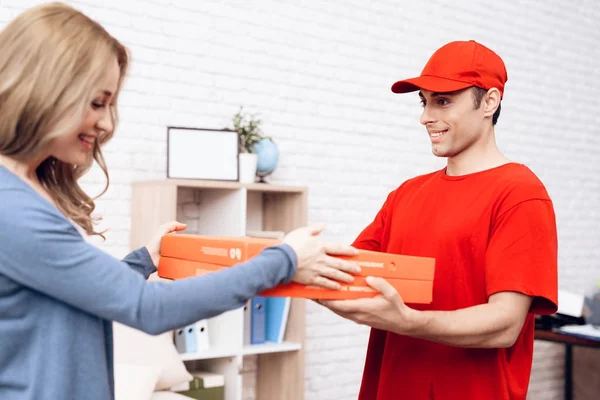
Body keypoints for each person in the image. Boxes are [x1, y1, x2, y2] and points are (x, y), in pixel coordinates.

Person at [0, 3, 361, 400]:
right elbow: (150, 309)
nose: (105, 124)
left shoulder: (23, 190)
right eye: (97, 103)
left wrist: (142, 262)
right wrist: (285, 259)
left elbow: (68, 291)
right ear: (47, 89)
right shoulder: (11, 206)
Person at [318, 40, 559, 400]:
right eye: (424, 101)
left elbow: (505, 324)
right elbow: (350, 278)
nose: (426, 117)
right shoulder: (406, 195)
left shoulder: (520, 195)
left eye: (443, 101)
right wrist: (290, 268)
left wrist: (408, 322)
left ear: (489, 102)